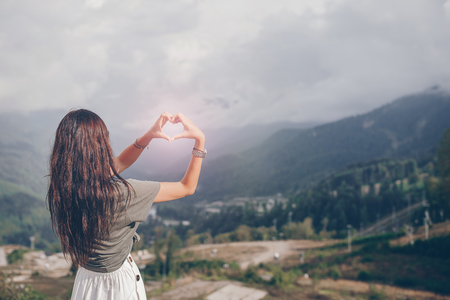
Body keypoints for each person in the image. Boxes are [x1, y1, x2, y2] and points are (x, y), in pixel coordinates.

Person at [46, 109, 206, 300]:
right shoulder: (122, 194)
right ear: (99, 145)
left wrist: (149, 135)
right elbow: (186, 187)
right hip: (117, 287)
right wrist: (200, 142)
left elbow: (120, 162)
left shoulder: (67, 183)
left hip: (86, 282)